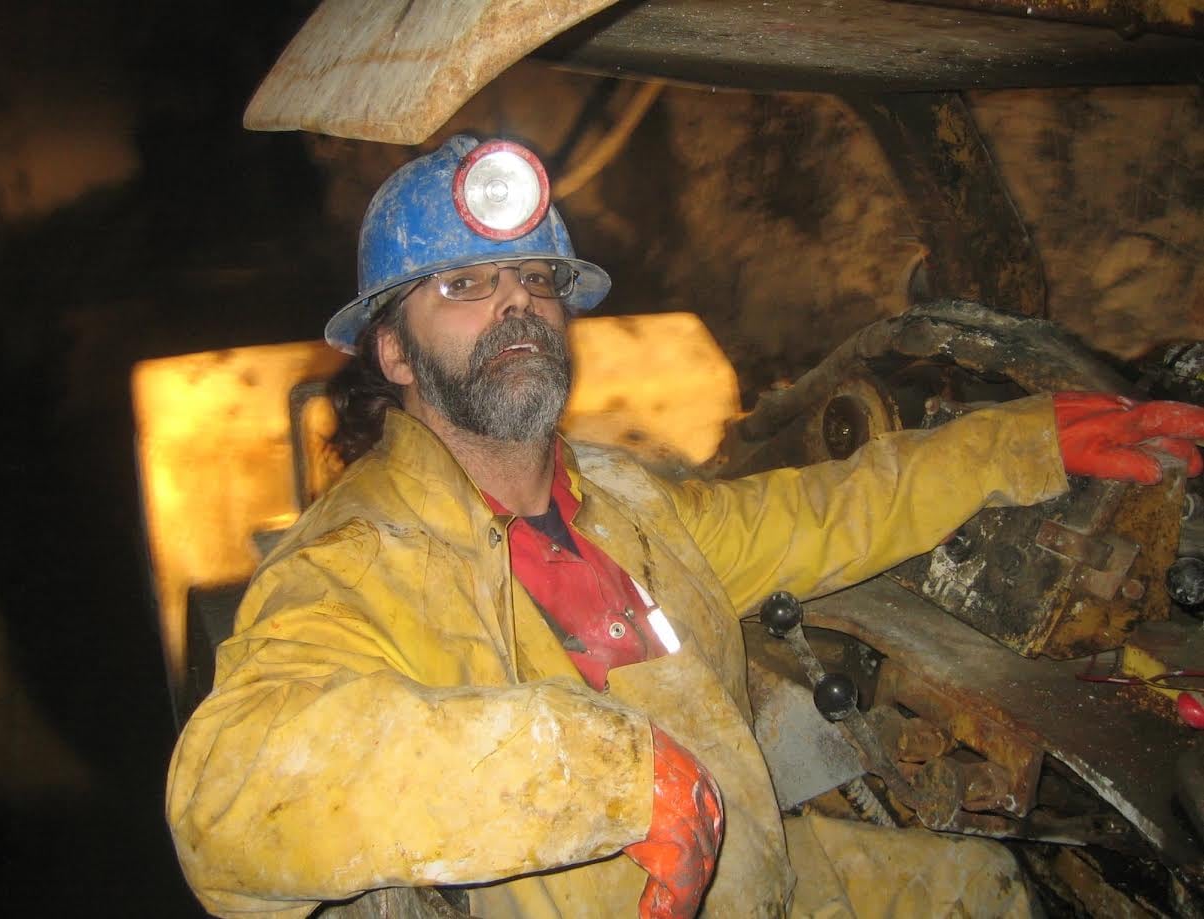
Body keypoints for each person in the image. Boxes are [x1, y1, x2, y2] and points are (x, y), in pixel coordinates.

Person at [166, 135, 1204, 919]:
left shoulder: (624, 502)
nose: (516, 307)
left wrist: (1019, 443)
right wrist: (604, 774)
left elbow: (819, 510)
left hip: (766, 876)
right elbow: (228, 792)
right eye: (463, 286)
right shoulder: (360, 559)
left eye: (536, 280)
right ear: (392, 352)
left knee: (990, 884)